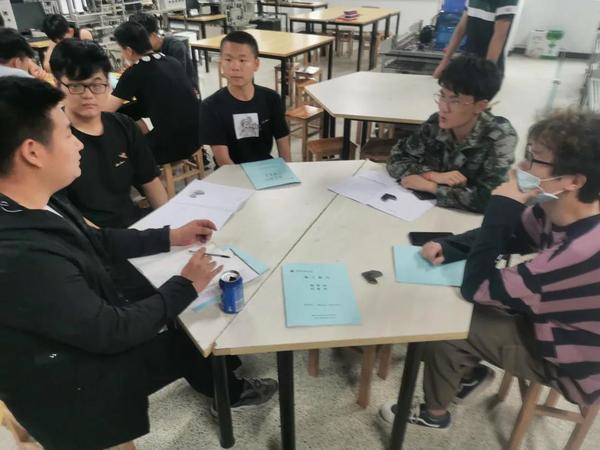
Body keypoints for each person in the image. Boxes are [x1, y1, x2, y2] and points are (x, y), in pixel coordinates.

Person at [0, 76, 277, 450]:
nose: (78, 143)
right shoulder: (23, 255)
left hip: (86, 337)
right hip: (75, 391)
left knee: (191, 337)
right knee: (190, 319)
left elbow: (97, 240)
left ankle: (226, 389)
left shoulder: (36, 198)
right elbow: (112, 330)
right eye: (67, 134)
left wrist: (170, 236)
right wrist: (186, 284)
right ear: (32, 152)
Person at [380, 109, 600, 429]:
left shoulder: (580, 252)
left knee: (447, 326)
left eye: (535, 159)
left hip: (574, 363)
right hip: (553, 319)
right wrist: (451, 245)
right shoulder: (563, 209)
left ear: (574, 181)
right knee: (458, 309)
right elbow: (516, 234)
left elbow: (478, 288)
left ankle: (434, 414)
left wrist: (502, 204)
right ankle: (467, 374)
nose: (521, 167)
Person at [50, 38, 168, 229]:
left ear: (108, 84)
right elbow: (67, 216)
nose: (88, 95)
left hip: (131, 226)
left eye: (97, 85)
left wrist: (169, 223)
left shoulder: (124, 126)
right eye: (76, 86)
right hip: (88, 237)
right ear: (58, 86)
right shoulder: (51, 138)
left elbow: (151, 181)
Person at [386, 55, 517, 213]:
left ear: (480, 106)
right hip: (428, 212)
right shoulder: (435, 124)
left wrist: (431, 187)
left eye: (455, 101)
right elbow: (396, 158)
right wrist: (432, 175)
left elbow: (492, 198)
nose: (443, 108)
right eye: (442, 96)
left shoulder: (500, 136)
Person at [106, 21, 200, 165]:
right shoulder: (171, 61)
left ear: (129, 51)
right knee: (132, 115)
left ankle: (148, 175)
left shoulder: (134, 72)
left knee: (119, 146)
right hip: (197, 136)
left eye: (121, 50)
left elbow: (106, 109)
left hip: (172, 146)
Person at [199, 31, 291, 166]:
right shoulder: (210, 106)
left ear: (256, 64)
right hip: (230, 173)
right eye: (228, 60)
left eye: (242, 60)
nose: (235, 67)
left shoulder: (271, 99)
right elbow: (223, 161)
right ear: (221, 63)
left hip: (265, 168)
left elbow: (283, 142)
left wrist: (287, 171)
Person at [433, 0, 519, 78]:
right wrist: (445, 61)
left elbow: (499, 36)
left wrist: (486, 73)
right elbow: (461, 28)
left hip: (489, 63)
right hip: (468, 59)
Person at [128, 12, 199, 91]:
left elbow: (175, 79)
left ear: (153, 35)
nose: (138, 44)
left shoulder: (176, 47)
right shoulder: (144, 50)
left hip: (183, 91)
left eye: (141, 40)